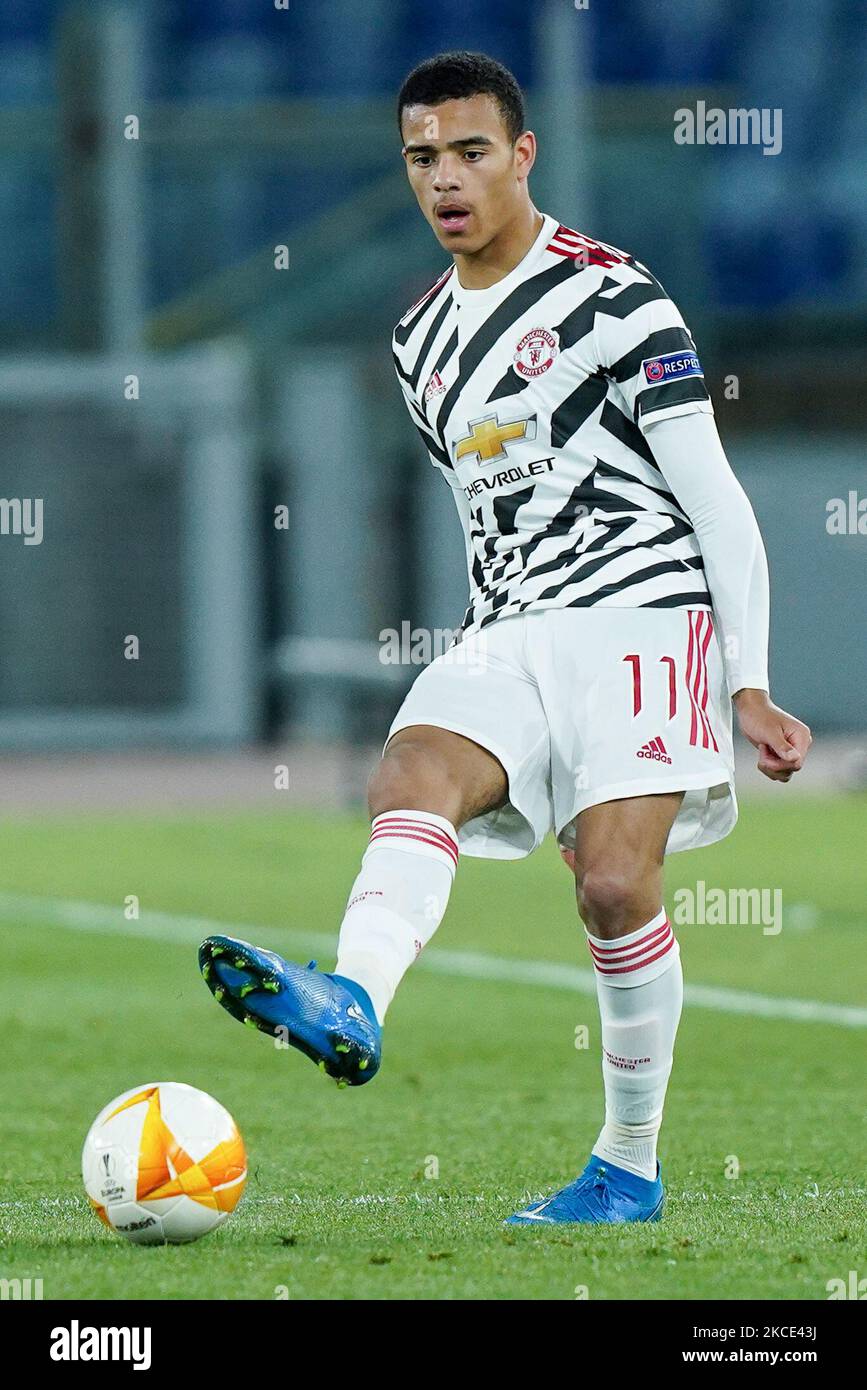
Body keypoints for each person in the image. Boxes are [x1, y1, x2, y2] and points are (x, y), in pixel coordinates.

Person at [199, 51, 811, 1226]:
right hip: (510, 627)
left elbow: (714, 494)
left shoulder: (617, 295)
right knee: (409, 775)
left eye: (471, 151)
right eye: (423, 158)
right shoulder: (418, 339)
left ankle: (627, 1164)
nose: (447, 179)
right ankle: (355, 1001)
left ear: (523, 155)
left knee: (616, 889)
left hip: (642, 608)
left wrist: (753, 678)